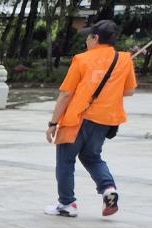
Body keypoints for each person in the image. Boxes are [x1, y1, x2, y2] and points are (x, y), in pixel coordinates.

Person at [45, 19, 138, 218]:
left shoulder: (81, 59)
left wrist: (53, 123)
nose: (86, 40)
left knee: (65, 160)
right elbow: (129, 91)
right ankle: (108, 189)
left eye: (88, 36)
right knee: (91, 156)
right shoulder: (124, 60)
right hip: (105, 119)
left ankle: (66, 203)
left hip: (78, 118)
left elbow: (66, 94)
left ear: (95, 38)